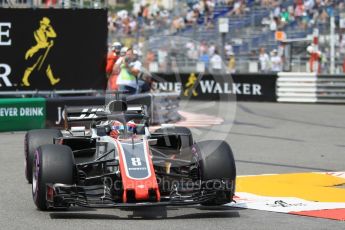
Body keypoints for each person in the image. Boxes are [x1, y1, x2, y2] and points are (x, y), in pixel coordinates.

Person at [22, 17, 60, 87]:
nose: (44, 27)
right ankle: (24, 79)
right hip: (37, 50)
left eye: (46, 25)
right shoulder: (37, 32)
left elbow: (54, 35)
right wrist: (49, 44)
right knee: (32, 65)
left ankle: (52, 80)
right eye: (43, 25)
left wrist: (50, 27)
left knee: (47, 66)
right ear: (40, 24)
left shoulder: (46, 32)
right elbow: (41, 43)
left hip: (44, 51)